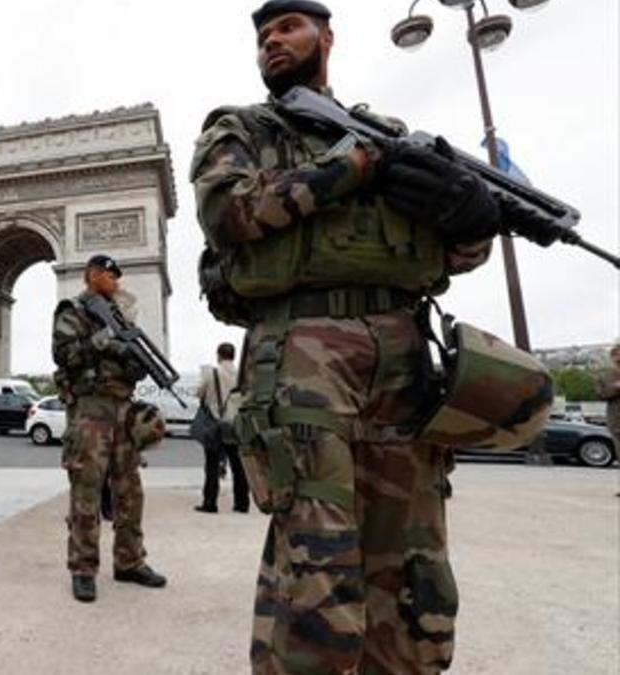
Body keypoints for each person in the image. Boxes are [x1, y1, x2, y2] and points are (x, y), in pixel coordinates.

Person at [189, 2, 506, 670]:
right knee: (318, 572)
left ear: (326, 38)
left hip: (404, 357)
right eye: (263, 35)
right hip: (301, 355)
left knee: (415, 568)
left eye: (288, 28)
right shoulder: (243, 127)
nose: (272, 40)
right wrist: (356, 164)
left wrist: (473, 217)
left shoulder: (395, 136)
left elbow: (447, 253)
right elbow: (230, 211)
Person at [51, 254, 167, 604]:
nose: (116, 280)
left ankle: (130, 561)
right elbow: (64, 354)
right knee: (87, 490)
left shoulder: (119, 313)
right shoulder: (72, 311)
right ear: (92, 276)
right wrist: (104, 340)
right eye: (110, 275)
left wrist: (134, 362)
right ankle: (83, 569)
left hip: (122, 407)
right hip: (90, 408)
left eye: (117, 275)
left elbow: (129, 367)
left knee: (130, 491)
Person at [195, 342, 245, 514]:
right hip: (235, 422)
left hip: (215, 423)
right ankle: (241, 502)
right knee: (238, 465)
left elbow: (199, 392)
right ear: (234, 355)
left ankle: (210, 502)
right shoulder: (242, 375)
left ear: (219, 355)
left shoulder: (212, 373)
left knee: (212, 465)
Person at [597, 343, 620, 443]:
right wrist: (616, 387)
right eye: (616, 354)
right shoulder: (604, 376)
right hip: (616, 420)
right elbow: (600, 395)